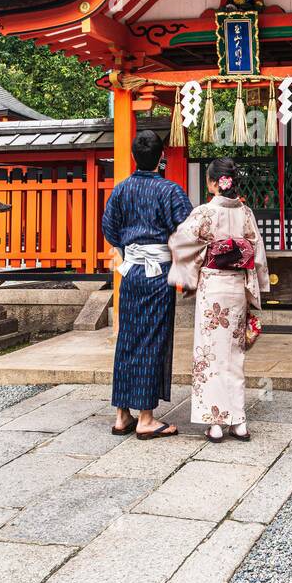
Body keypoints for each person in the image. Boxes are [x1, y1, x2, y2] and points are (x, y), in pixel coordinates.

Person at [168, 156, 270, 442]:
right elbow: (257, 255)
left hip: (212, 288)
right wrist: (257, 288)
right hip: (237, 289)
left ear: (213, 183)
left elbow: (178, 243)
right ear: (231, 182)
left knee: (209, 355)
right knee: (234, 355)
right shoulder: (246, 213)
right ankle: (239, 422)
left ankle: (215, 423)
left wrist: (203, 254)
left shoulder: (203, 213)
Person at [101, 129, 192, 439]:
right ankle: (147, 418)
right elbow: (188, 231)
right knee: (152, 339)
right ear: (161, 157)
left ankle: (121, 414)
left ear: (133, 157)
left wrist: (130, 251)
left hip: (131, 272)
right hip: (158, 273)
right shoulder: (170, 191)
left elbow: (110, 230)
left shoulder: (121, 190)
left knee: (128, 338)